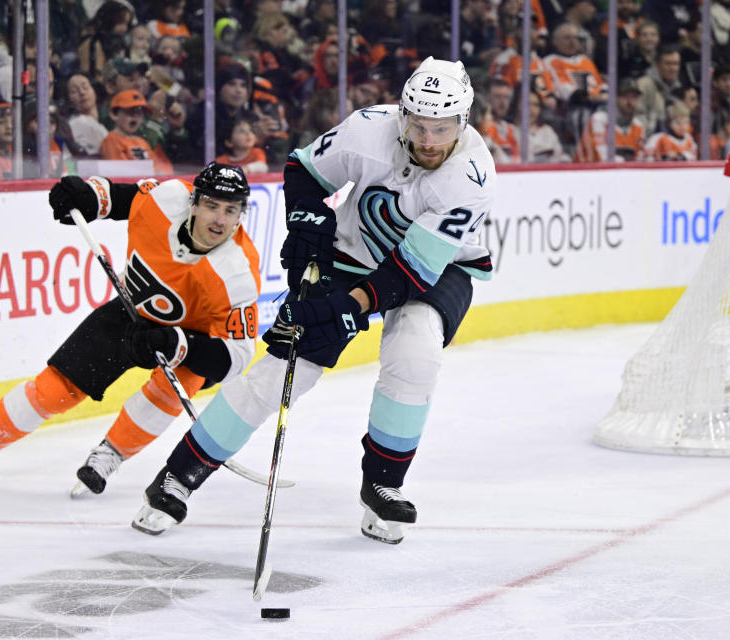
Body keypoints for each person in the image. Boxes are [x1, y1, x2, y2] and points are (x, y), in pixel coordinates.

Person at [129, 57, 496, 545]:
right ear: (403, 115)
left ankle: (382, 485)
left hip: (437, 268)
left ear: (463, 122)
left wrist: (344, 307)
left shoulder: (471, 177)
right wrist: (307, 224)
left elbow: (409, 272)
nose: (429, 140)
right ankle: (177, 477)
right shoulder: (368, 129)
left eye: (442, 128)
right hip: (350, 253)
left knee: (415, 353)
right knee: (281, 368)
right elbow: (303, 169)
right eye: (419, 125)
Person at [0, 163, 262, 494]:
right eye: (211, 206)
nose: (219, 219)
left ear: (239, 215)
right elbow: (123, 198)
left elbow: (235, 356)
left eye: (230, 210)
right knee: (56, 388)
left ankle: (110, 454)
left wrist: (177, 343)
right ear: (193, 203)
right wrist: (88, 196)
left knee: (169, 389)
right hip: (131, 312)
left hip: (192, 342)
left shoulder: (237, 274)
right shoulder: (166, 200)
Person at [99, 89, 174, 175]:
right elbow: (119, 173)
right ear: (114, 115)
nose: (135, 116)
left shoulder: (142, 142)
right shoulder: (111, 139)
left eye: (139, 113)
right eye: (130, 112)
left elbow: (161, 168)